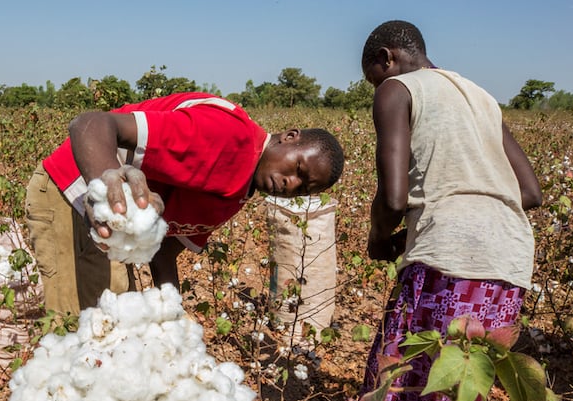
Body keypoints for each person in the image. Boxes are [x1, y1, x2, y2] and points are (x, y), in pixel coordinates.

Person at [330, 20, 542, 401]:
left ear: (386, 58)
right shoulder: (481, 97)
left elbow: (393, 197)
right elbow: (531, 194)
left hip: (449, 255)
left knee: (396, 379)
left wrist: (377, 239)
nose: (378, 86)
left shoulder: (397, 89)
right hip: (510, 260)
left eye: (375, 76)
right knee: (452, 400)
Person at [25, 92, 345, 319]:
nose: (291, 184)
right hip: (72, 192)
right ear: (289, 137)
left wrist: (170, 312)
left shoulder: (240, 192)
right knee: (92, 332)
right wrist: (108, 190)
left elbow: (165, 249)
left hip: (107, 224)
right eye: (298, 170)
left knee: (120, 324)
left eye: (302, 189)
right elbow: (90, 125)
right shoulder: (225, 136)